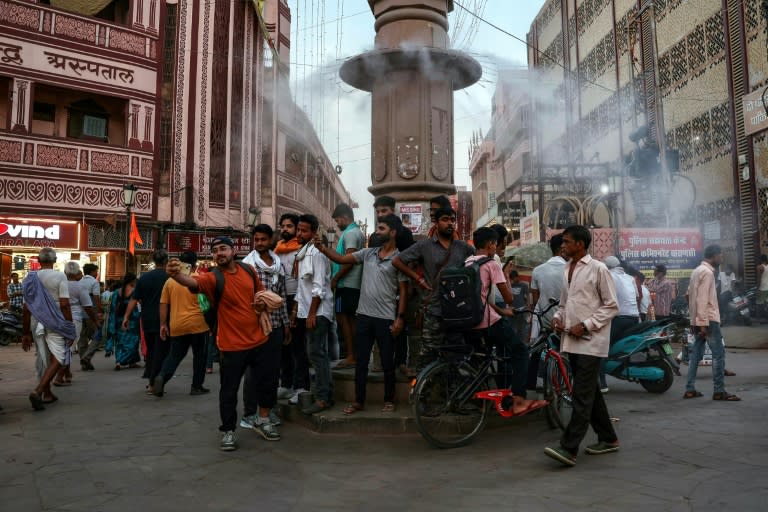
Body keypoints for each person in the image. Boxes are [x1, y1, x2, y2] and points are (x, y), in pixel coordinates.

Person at [167, 236, 276, 451]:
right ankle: (228, 431)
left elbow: (260, 292)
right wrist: (177, 275)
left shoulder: (248, 270)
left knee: (266, 384)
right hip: (231, 345)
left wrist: (264, 302)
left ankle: (263, 421)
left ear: (233, 251)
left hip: (259, 339)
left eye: (223, 249)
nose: (219, 253)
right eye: (215, 250)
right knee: (229, 390)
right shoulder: (212, 277)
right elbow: (193, 282)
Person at [316, 215, 407, 415]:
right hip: (364, 316)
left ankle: (389, 399)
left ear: (392, 232)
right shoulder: (368, 253)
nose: (377, 232)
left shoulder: (399, 259)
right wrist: (322, 248)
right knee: (361, 362)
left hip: (386, 318)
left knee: (387, 363)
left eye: (381, 228)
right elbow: (340, 259)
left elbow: (403, 291)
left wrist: (400, 318)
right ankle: (359, 401)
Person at [544, 225, 619, 467]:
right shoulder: (568, 269)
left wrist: (586, 325)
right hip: (572, 341)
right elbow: (565, 305)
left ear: (580, 244)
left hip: (591, 342)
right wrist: (558, 318)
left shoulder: (598, 269)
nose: (562, 246)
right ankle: (608, 438)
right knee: (590, 393)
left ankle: (569, 447)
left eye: (566, 242)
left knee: (581, 396)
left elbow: (611, 306)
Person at [464, 228, 546, 414]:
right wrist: (506, 275)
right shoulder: (491, 263)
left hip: (469, 321)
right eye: (495, 244)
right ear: (491, 244)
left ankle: (486, 398)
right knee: (520, 351)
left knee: (484, 361)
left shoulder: (467, 262)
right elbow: (509, 298)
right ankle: (518, 399)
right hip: (487, 321)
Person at [393, 207, 475, 369]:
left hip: (457, 312)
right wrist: (418, 279)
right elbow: (397, 261)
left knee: (456, 358)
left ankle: (452, 392)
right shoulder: (424, 246)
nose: (450, 223)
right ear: (436, 223)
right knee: (427, 357)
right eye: (445, 219)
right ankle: (423, 393)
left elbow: (478, 263)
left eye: (452, 220)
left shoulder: (463, 247)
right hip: (433, 311)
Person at [239, 224, 290, 435]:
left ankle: (266, 412)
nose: (259, 243)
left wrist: (287, 325)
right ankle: (249, 413)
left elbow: (283, 297)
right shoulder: (247, 266)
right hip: (255, 325)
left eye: (263, 239)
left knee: (272, 371)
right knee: (253, 372)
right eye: (256, 239)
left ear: (271, 240)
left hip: (276, 324)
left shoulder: (278, 264)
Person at [20, 248, 77, 410]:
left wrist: (25, 333)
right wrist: (70, 328)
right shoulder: (60, 276)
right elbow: (65, 304)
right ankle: (38, 391)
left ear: (38, 260)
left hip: (35, 320)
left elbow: (26, 307)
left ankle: (47, 393)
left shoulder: (30, 277)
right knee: (59, 356)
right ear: (55, 260)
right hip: (56, 321)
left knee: (42, 356)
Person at [685, 245, 741, 401]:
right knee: (718, 355)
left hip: (699, 319)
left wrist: (693, 320)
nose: (722, 258)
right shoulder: (708, 273)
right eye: (720, 255)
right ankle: (719, 391)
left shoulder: (696, 271)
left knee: (696, 355)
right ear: (714, 256)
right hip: (708, 320)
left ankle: (690, 389)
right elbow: (702, 299)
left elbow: (688, 296)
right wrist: (702, 324)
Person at [154, 250, 211, 398]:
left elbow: (163, 304)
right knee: (200, 356)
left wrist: (163, 324)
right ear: (194, 264)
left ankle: (162, 376)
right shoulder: (199, 279)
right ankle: (196, 387)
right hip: (198, 324)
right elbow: (207, 303)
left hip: (177, 324)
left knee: (174, 355)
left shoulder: (170, 281)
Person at [294, 214, 335, 414]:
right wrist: (297, 311)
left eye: (304, 230)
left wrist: (311, 314)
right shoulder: (304, 251)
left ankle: (322, 398)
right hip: (308, 311)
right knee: (317, 355)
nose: (299, 233)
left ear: (313, 232)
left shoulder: (316, 253)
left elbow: (319, 286)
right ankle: (324, 394)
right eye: (298, 229)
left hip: (318, 312)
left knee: (317, 355)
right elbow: (303, 288)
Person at [271, 213, 311, 404]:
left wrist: (296, 306)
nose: (285, 229)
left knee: (298, 346)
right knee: (283, 345)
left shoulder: (302, 250)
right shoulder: (277, 251)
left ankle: (301, 387)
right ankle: (286, 385)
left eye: (289, 226)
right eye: (282, 226)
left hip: (298, 300)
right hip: (280, 300)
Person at [123, 250, 169, 386]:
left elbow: (134, 299)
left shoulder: (144, 278)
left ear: (154, 262)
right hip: (165, 319)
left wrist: (126, 316)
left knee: (151, 350)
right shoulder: (170, 278)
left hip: (147, 319)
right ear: (166, 261)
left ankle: (151, 381)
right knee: (162, 351)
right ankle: (156, 381)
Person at [329, 203, 364, 369]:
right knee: (349, 321)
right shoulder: (355, 232)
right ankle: (354, 355)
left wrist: (335, 278)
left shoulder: (350, 234)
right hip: (351, 285)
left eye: (337, 220)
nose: (337, 224)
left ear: (345, 217)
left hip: (346, 285)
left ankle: (351, 356)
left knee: (345, 320)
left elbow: (349, 260)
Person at [600, 256, 640, 393]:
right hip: (635, 317)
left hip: (620, 318)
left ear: (607, 267)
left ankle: (602, 383)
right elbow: (636, 297)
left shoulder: (608, 275)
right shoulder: (630, 278)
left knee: (601, 348)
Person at [55, 263, 99, 386]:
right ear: (77, 274)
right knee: (68, 347)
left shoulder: (60, 284)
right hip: (74, 317)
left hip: (59, 317)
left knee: (65, 346)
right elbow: (88, 307)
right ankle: (59, 376)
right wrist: (95, 320)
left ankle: (67, 373)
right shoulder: (79, 286)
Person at [530, 234, 566, 330]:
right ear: (561, 249)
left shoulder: (537, 270)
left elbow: (535, 300)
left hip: (543, 323)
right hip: (565, 324)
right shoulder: (571, 270)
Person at [108, 273, 141, 370]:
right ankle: (123, 360)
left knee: (120, 342)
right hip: (132, 320)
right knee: (133, 341)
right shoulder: (134, 291)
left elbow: (113, 308)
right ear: (132, 281)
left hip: (118, 320)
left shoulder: (116, 292)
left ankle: (122, 362)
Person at [78, 263, 102, 371]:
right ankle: (86, 357)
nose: (97, 273)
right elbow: (96, 298)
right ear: (92, 272)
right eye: (96, 271)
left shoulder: (79, 282)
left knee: (82, 338)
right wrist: (100, 311)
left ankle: (84, 362)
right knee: (98, 335)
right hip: (91, 313)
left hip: (79, 313)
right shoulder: (94, 282)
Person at [507, 270, 530, 342]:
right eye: (511, 278)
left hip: (522, 311)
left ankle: (522, 343)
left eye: (514, 278)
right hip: (511, 311)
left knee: (522, 329)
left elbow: (528, 297)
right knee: (512, 328)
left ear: (517, 277)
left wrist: (528, 308)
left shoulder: (524, 285)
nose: (513, 280)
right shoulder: (509, 285)